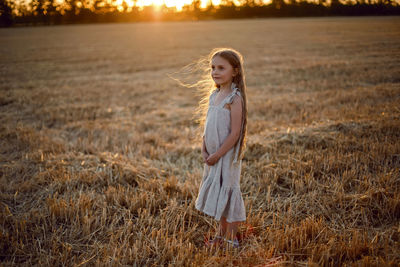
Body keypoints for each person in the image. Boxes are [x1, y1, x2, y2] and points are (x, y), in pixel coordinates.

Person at [194, 48, 248, 249]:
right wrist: (204, 149)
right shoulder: (214, 95)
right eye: (212, 68)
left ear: (234, 71)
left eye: (221, 68)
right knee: (219, 195)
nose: (215, 72)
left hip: (226, 155)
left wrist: (217, 154)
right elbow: (206, 127)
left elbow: (234, 134)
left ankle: (230, 239)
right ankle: (220, 235)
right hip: (213, 156)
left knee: (229, 194)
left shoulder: (234, 98)